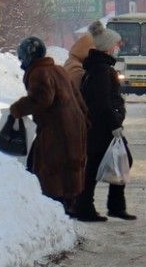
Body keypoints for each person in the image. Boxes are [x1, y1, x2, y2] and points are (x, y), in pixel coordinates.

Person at [10, 36, 89, 215]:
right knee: (68, 168)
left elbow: (42, 99)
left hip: (57, 131)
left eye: (22, 57)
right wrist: (85, 122)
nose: (21, 61)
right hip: (73, 128)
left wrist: (17, 108)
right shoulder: (58, 70)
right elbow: (78, 99)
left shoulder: (39, 73)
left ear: (29, 57)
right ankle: (67, 204)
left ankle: (53, 208)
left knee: (49, 168)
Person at [75, 26, 135, 221]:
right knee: (104, 164)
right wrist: (115, 124)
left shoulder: (97, 67)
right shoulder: (101, 70)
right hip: (103, 128)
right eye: (116, 44)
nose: (118, 47)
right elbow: (102, 101)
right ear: (107, 47)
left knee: (104, 163)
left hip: (98, 126)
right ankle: (88, 207)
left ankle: (104, 206)